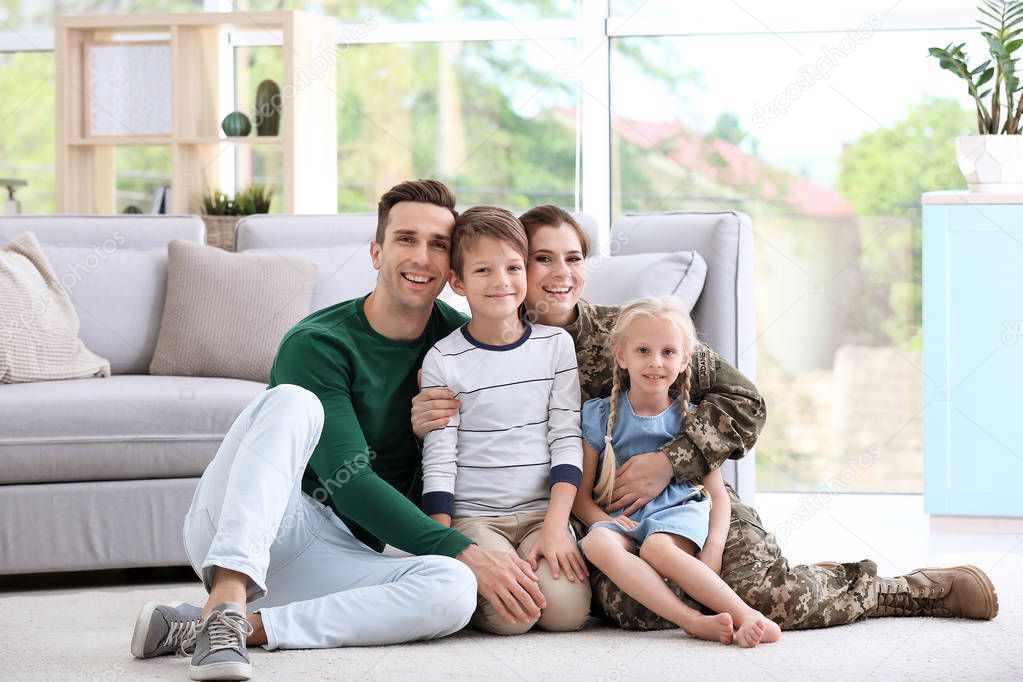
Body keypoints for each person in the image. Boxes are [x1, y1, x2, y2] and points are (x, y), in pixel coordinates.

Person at [411, 204, 998, 632]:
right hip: (588, 522)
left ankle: (906, 590)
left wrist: (671, 461)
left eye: (574, 257)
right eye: (542, 259)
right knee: (632, 611)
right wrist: (421, 415)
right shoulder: (470, 339)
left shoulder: (635, 330)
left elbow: (746, 402)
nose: (560, 273)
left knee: (760, 594)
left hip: (686, 499)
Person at [130, 180, 546, 682]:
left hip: (341, 553)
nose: (422, 257)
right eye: (406, 239)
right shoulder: (318, 342)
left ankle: (236, 628)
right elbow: (347, 480)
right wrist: (465, 548)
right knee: (292, 402)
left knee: (453, 590)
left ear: (452, 269)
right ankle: (226, 597)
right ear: (376, 251)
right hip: (266, 523)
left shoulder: (456, 342)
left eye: (438, 244)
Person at [420, 206, 591, 634]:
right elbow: (439, 458)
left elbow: (566, 436)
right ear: (457, 282)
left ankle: (530, 564)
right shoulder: (444, 358)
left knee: (566, 614)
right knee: (512, 619)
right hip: (476, 517)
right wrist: (444, 550)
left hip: (541, 514)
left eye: (514, 267)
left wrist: (556, 526)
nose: (501, 282)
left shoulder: (555, 347)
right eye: (483, 270)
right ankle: (482, 588)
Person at [574, 297, 781, 647]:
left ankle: (746, 614)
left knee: (657, 548)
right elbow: (579, 499)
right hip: (625, 518)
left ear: (686, 360)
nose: (655, 362)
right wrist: (600, 520)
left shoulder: (688, 420)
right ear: (621, 356)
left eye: (668, 352)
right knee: (595, 542)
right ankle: (691, 621)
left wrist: (713, 548)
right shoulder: (597, 416)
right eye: (643, 350)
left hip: (676, 513)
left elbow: (717, 495)